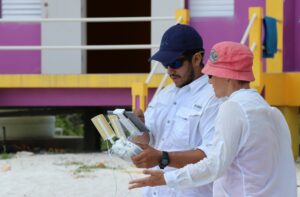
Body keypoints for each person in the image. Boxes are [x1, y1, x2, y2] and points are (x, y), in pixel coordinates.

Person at [129, 41, 297, 196]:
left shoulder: (233, 108)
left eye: (211, 75)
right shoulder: (271, 112)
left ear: (228, 76)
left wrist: (166, 179)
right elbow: (285, 171)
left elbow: (214, 165)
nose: (209, 82)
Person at [131, 24, 221, 197]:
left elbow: (213, 157)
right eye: (166, 64)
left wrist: (162, 158)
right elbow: (149, 141)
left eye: (175, 62)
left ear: (196, 59)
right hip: (155, 191)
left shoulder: (214, 97)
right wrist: (139, 127)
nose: (170, 70)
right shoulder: (164, 94)